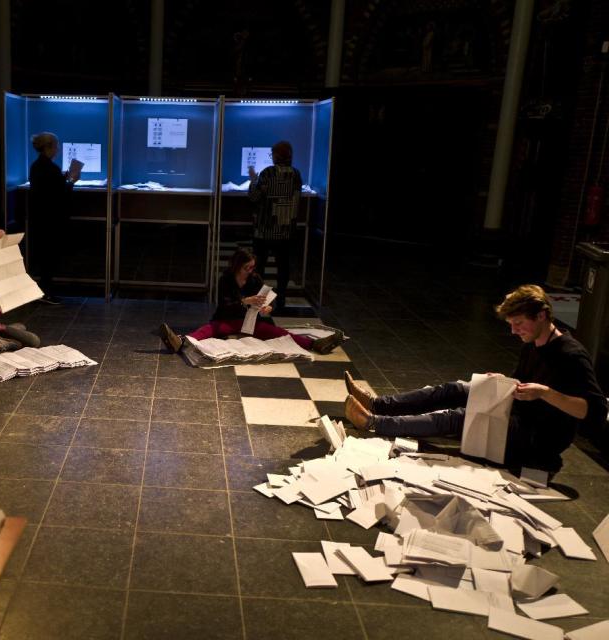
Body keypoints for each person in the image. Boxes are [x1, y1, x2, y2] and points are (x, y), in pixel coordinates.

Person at [344, 285, 607, 474]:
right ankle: (380, 404)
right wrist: (505, 381)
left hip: (541, 437)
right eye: (511, 325)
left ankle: (375, 422)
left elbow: (595, 411)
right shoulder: (533, 343)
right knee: (457, 389)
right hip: (523, 410)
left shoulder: (572, 355)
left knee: (459, 416)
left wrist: (545, 393)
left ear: (541, 315)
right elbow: (525, 381)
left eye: (518, 323)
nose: (514, 331)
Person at [159, 248, 343, 355]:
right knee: (208, 330)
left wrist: (268, 308)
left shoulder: (255, 279)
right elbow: (224, 304)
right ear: (238, 266)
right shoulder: (226, 279)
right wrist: (245, 301)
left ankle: (314, 345)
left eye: (252, 267)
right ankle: (180, 342)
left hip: (251, 322)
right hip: (228, 319)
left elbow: (269, 301)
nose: (250, 270)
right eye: (247, 267)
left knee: (278, 332)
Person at [247, 140, 302, 310]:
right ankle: (282, 297)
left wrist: (253, 179)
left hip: (265, 229)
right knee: (283, 266)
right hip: (286, 230)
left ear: (277, 155)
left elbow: (254, 197)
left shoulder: (268, 173)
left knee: (259, 266)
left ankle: (259, 299)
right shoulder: (296, 174)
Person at [28, 131, 80, 305]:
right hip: (51, 220)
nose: (57, 149)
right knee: (49, 257)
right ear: (48, 147)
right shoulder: (50, 168)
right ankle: (45, 292)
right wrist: (72, 181)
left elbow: (49, 187)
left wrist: (63, 177)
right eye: (56, 146)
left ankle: (44, 291)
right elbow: (59, 194)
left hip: (40, 218)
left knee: (45, 256)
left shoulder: (37, 166)